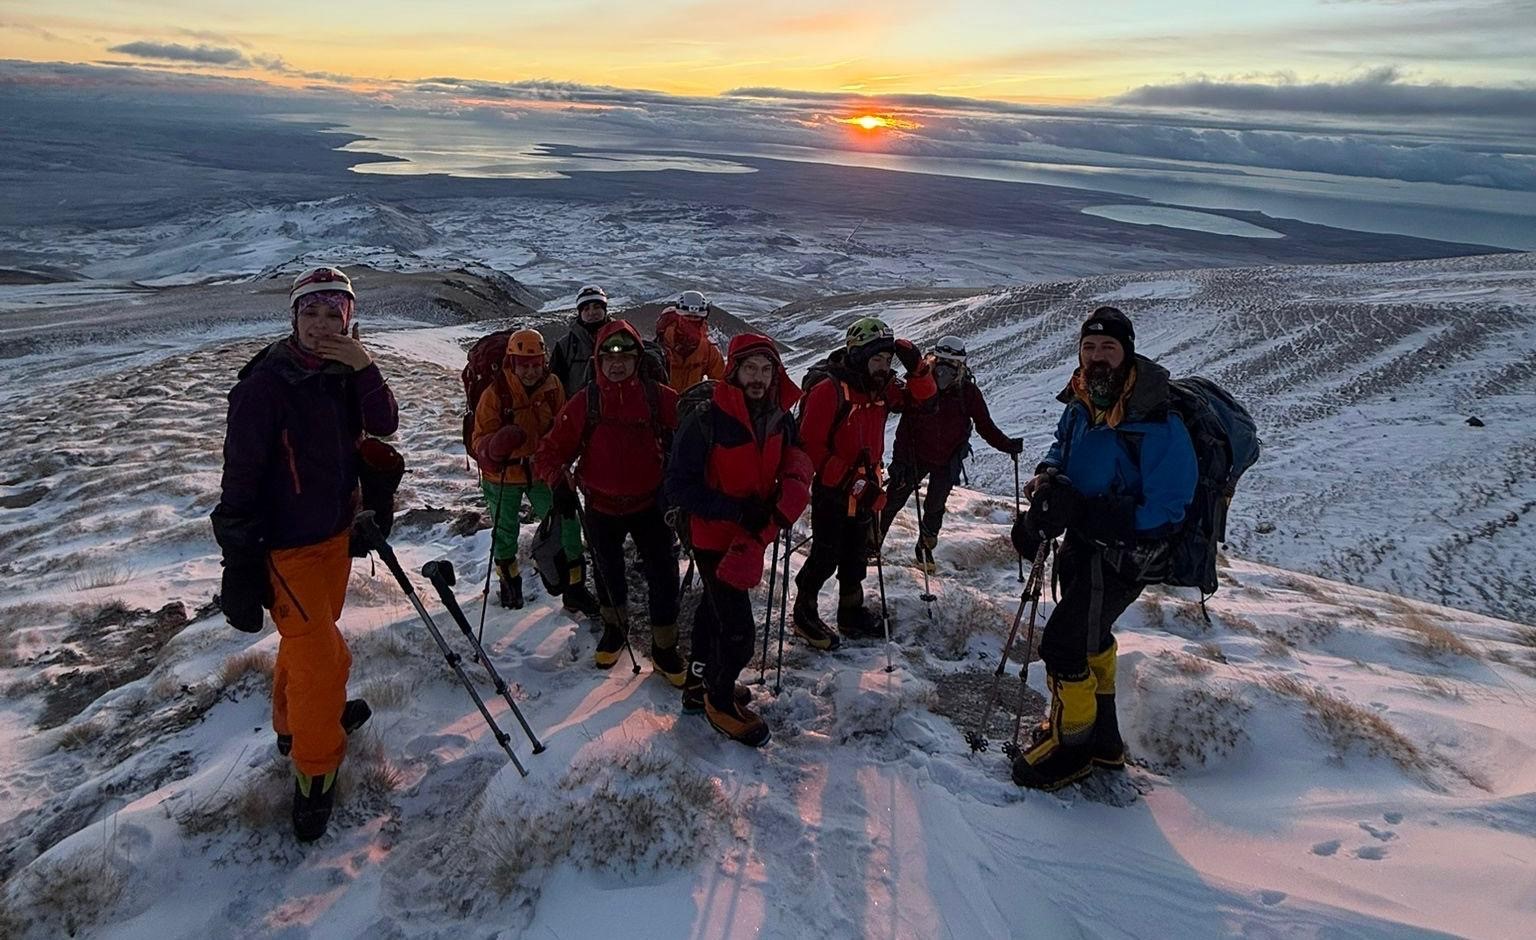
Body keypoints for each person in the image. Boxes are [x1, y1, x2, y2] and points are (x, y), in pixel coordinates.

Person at [210, 265, 399, 841]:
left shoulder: (342, 373)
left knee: (311, 638)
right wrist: (239, 563)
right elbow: (240, 477)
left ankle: (292, 727)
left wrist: (364, 366)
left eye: (333, 314)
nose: (321, 325)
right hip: (285, 548)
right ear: (293, 317)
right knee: (323, 660)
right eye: (310, 313)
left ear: (349, 318)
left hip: (335, 535)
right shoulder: (263, 386)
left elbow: (384, 424)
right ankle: (315, 777)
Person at [1009, 306, 1197, 791]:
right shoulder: (1082, 400)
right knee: (1090, 639)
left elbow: (1171, 505)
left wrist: (1095, 515)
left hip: (1125, 555)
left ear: (1126, 352)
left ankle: (1071, 749)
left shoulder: (1157, 419)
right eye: (1089, 347)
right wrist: (1050, 482)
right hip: (1085, 545)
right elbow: (1062, 446)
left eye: (1108, 348)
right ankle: (1104, 740)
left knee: (1064, 644)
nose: (1097, 357)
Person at [665, 334, 812, 745]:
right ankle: (719, 698)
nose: (759, 378)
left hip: (751, 536)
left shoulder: (779, 417)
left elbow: (795, 453)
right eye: (751, 369)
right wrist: (735, 509)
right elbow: (678, 487)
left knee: (713, 614)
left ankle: (701, 684)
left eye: (767, 370)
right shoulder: (708, 419)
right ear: (733, 370)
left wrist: (788, 490)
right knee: (738, 632)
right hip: (714, 539)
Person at [534, 321, 683, 680]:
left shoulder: (657, 396)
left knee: (663, 574)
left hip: (652, 505)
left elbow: (691, 432)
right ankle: (615, 630)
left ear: (637, 360)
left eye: (626, 357)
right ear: (598, 360)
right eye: (609, 357)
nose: (617, 365)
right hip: (600, 506)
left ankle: (665, 646)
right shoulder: (586, 401)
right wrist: (558, 481)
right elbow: (550, 450)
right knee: (607, 572)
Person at [791, 317, 936, 650]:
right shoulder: (830, 390)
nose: (884, 367)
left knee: (857, 553)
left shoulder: (882, 388)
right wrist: (849, 481)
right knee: (826, 554)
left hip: (868, 485)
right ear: (857, 356)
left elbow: (923, 403)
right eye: (876, 359)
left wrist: (917, 368)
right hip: (834, 489)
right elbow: (809, 445)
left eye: (887, 360)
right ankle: (804, 613)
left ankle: (850, 611)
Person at [470, 329, 596, 614]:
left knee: (567, 522)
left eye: (536, 363)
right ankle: (509, 582)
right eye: (524, 365)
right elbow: (478, 440)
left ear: (544, 362)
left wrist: (562, 460)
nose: (530, 370)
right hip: (502, 475)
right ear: (511, 363)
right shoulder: (495, 393)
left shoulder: (552, 386)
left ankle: (575, 586)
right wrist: (494, 447)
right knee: (505, 531)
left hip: (541, 471)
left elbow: (562, 427)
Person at [880, 335, 1023, 573]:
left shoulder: (968, 393)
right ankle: (873, 543)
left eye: (951, 363)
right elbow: (903, 424)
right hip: (915, 455)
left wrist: (1006, 445)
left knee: (934, 506)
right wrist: (899, 461)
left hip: (946, 459)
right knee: (894, 499)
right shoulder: (922, 385)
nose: (944, 369)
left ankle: (924, 548)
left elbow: (984, 425)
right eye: (941, 361)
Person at [547, 284, 612, 394]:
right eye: (586, 309)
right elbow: (554, 385)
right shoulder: (565, 346)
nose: (592, 313)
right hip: (577, 408)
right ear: (580, 313)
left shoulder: (619, 338)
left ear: (604, 310)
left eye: (596, 307)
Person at [656, 290, 726, 391]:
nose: (692, 321)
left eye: (696, 317)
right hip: (662, 402)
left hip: (691, 403)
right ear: (679, 317)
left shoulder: (708, 350)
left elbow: (721, 384)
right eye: (688, 317)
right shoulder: (662, 344)